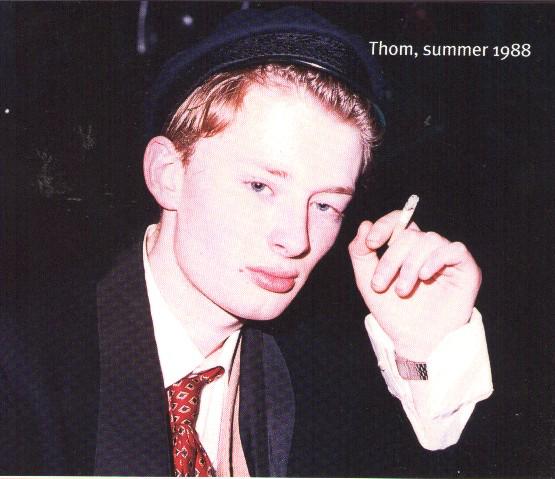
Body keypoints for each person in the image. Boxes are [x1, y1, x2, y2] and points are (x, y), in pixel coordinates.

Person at [0, 6, 492, 476]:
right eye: (260, 186)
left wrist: (420, 351)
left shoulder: (314, 374)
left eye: (325, 205)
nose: (295, 239)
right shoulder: (24, 367)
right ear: (168, 174)